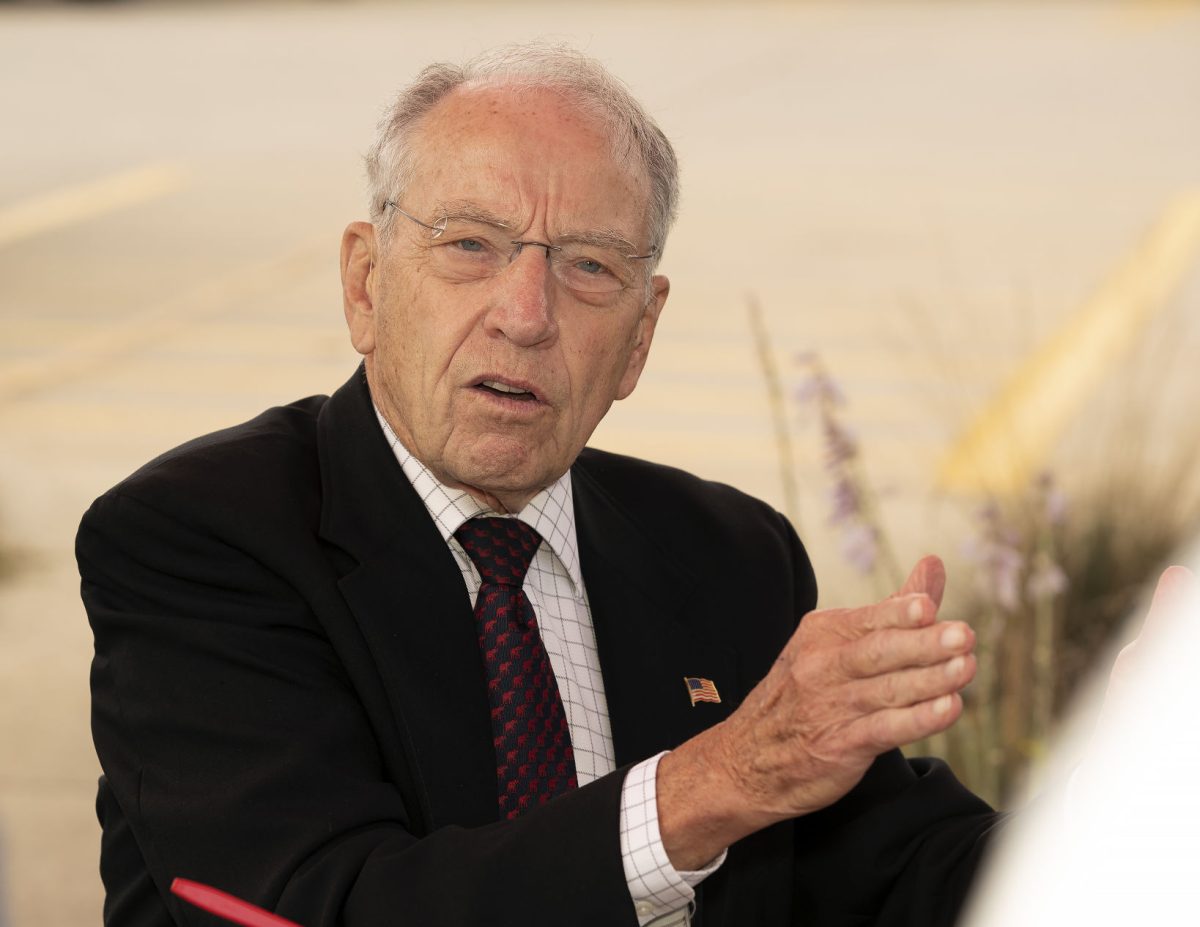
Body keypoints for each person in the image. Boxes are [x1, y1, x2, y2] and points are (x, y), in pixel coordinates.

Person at [78, 45, 998, 927]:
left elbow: (897, 871)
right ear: (365, 284)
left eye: (590, 265)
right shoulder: (197, 537)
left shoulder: (729, 554)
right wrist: (715, 784)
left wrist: (1132, 795)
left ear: (641, 335)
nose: (526, 315)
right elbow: (327, 904)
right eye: (471, 244)